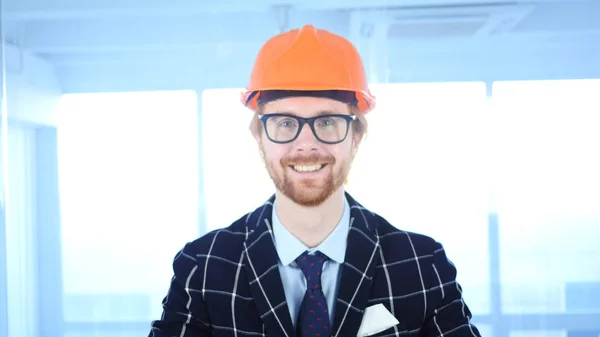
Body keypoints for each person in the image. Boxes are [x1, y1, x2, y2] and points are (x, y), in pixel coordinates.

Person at [149, 24, 481, 337]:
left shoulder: (422, 265)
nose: (306, 144)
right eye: (284, 123)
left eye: (327, 123)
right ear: (259, 137)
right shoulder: (204, 267)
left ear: (356, 137)